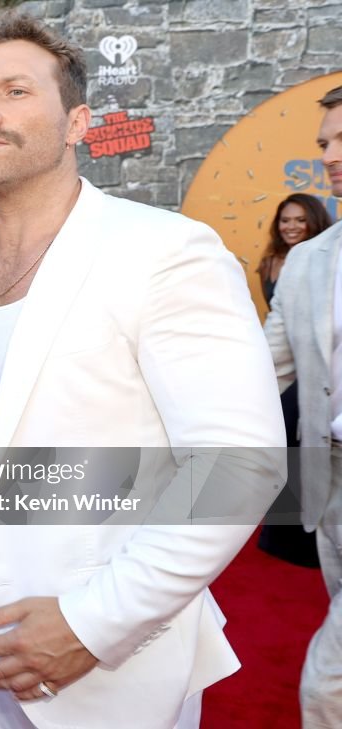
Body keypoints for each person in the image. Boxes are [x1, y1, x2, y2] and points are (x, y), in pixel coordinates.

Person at [0, 12, 284, 729]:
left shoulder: (163, 250)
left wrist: (90, 625)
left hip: (115, 661)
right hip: (0, 654)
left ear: (76, 123)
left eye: (15, 91)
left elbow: (241, 465)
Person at [264, 84, 342, 729]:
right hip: (328, 490)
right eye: (325, 144)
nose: (332, 156)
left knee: (327, 684)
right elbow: (262, 370)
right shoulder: (307, 263)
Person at [254, 196, 331, 568]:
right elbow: (275, 335)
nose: (291, 226)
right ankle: (285, 534)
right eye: (285, 219)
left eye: (300, 219)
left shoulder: (327, 260)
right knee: (288, 447)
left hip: (319, 374)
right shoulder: (272, 264)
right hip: (289, 369)